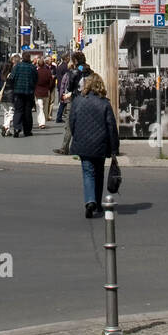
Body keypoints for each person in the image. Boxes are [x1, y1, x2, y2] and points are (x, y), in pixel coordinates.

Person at [69, 72, 120, 217]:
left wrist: (76, 136)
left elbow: (72, 122)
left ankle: (90, 201)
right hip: (100, 144)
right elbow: (111, 127)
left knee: (87, 172)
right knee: (99, 173)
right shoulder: (104, 103)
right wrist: (115, 148)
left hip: (83, 143)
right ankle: (97, 203)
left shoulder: (78, 101)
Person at [54, 51, 87, 154]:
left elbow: (70, 87)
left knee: (69, 123)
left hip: (74, 99)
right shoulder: (88, 69)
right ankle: (80, 147)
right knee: (82, 123)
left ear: (75, 60)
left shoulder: (76, 71)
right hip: (85, 99)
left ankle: (65, 147)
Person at [9, 49, 38, 137]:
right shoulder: (32, 67)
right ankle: (27, 130)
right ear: (29, 58)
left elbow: (11, 78)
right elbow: (36, 79)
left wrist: (14, 87)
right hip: (29, 92)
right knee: (27, 111)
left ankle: (17, 128)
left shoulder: (17, 66)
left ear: (22, 58)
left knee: (18, 110)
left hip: (18, 92)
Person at [0, 54, 19, 136]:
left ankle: (7, 130)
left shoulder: (2, 75)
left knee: (6, 112)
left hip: (3, 96)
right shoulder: (11, 75)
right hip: (10, 95)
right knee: (12, 112)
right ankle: (5, 126)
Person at [34, 54, 55, 128]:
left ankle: (41, 122)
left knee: (40, 107)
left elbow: (34, 81)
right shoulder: (48, 72)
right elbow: (51, 81)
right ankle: (43, 121)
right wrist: (49, 88)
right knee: (45, 107)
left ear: (38, 65)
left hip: (38, 92)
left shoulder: (36, 72)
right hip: (46, 91)